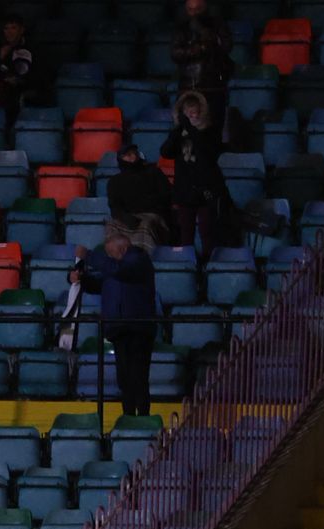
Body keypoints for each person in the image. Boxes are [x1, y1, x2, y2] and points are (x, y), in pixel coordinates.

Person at [74, 231, 158, 418]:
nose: (110, 258)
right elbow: (101, 284)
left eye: (111, 253)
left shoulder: (139, 260)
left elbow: (119, 271)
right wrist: (81, 279)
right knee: (124, 379)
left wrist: (89, 256)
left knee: (138, 376)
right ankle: (128, 417)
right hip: (119, 329)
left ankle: (143, 418)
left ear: (123, 248)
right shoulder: (117, 267)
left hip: (139, 329)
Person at [162, 90, 226, 253]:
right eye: (188, 113)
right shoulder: (178, 133)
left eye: (195, 112)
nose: (192, 116)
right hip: (185, 190)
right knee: (186, 233)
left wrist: (190, 128)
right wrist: (179, 129)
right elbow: (166, 152)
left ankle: (208, 265)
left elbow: (207, 154)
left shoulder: (210, 131)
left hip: (206, 190)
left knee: (207, 232)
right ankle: (188, 265)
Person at [170, 0, 232, 136]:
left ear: (205, 8)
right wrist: (199, 49)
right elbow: (175, 53)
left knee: (214, 129)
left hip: (214, 85)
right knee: (186, 130)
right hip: (189, 85)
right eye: (190, 9)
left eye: (198, 9)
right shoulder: (182, 27)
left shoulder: (217, 25)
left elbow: (226, 47)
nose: (194, 13)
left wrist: (210, 39)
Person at [106, 144, 172, 247]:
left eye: (134, 153)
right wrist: (125, 217)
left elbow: (166, 196)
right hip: (128, 216)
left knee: (146, 224)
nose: (133, 156)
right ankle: (117, 258)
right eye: (128, 154)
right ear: (121, 158)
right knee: (111, 224)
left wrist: (145, 206)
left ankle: (144, 258)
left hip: (153, 214)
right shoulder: (114, 181)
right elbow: (115, 206)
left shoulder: (154, 172)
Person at [0, 14, 41, 112]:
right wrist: (0, 57)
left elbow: (39, 75)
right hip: (4, 91)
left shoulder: (33, 49)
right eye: (6, 28)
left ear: (21, 30)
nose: (9, 32)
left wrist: (20, 81)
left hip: (26, 90)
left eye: (13, 28)